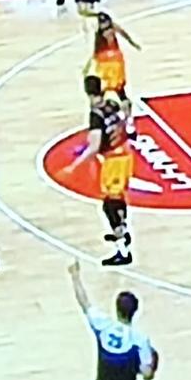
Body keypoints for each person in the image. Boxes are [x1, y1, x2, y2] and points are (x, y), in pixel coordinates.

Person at [65, 77, 136, 266]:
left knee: (110, 205)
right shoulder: (111, 104)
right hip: (125, 153)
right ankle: (123, 231)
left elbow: (94, 146)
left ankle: (122, 250)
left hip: (114, 161)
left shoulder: (96, 115)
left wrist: (74, 166)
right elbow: (125, 114)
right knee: (118, 198)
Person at [83, 7, 140, 100]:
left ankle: (116, 100)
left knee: (114, 85)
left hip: (112, 60)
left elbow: (125, 35)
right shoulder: (101, 34)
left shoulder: (110, 29)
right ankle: (106, 101)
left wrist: (133, 43)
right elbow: (95, 51)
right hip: (107, 61)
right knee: (110, 84)